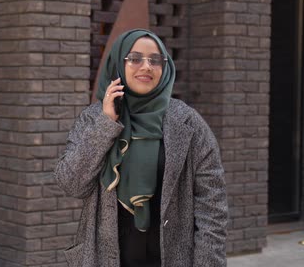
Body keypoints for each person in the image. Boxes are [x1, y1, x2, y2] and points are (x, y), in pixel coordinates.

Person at [54, 29, 228, 267]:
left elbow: (212, 206)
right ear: (118, 62)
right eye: (135, 58)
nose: (146, 66)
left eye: (155, 60)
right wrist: (106, 124)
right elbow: (71, 183)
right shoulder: (94, 118)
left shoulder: (188, 123)